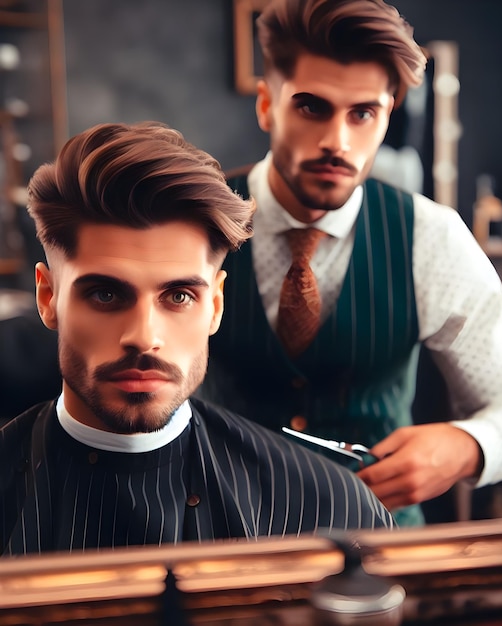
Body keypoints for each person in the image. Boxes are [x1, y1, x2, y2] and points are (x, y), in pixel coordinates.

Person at [197, 0, 502, 526]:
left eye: (362, 113)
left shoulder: (431, 238)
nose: (337, 142)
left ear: (388, 114)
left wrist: (463, 446)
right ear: (267, 105)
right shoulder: (192, 221)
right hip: (225, 540)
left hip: (380, 545)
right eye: (312, 107)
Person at [0, 121, 395, 556]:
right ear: (48, 296)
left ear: (216, 305)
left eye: (179, 296)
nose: (143, 337)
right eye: (106, 294)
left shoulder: (332, 511)